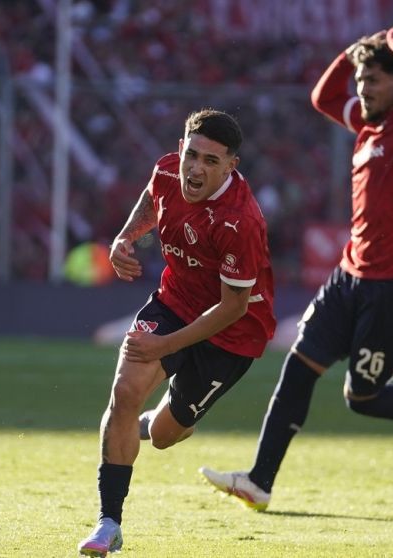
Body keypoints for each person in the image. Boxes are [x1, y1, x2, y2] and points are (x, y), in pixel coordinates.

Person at [199, 23, 393, 512]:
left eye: (374, 81)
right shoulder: (368, 125)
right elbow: (323, 96)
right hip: (350, 277)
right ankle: (259, 480)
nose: (362, 90)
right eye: (361, 82)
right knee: (298, 368)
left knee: (362, 398)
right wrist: (353, 54)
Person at [77, 109, 276, 556]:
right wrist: (125, 238)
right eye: (192, 154)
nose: (195, 168)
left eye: (210, 161)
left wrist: (164, 346)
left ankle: (136, 427)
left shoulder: (240, 222)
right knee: (125, 393)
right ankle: (109, 524)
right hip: (174, 303)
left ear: (231, 166)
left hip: (232, 333)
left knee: (167, 434)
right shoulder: (168, 169)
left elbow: (233, 307)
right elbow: (153, 196)